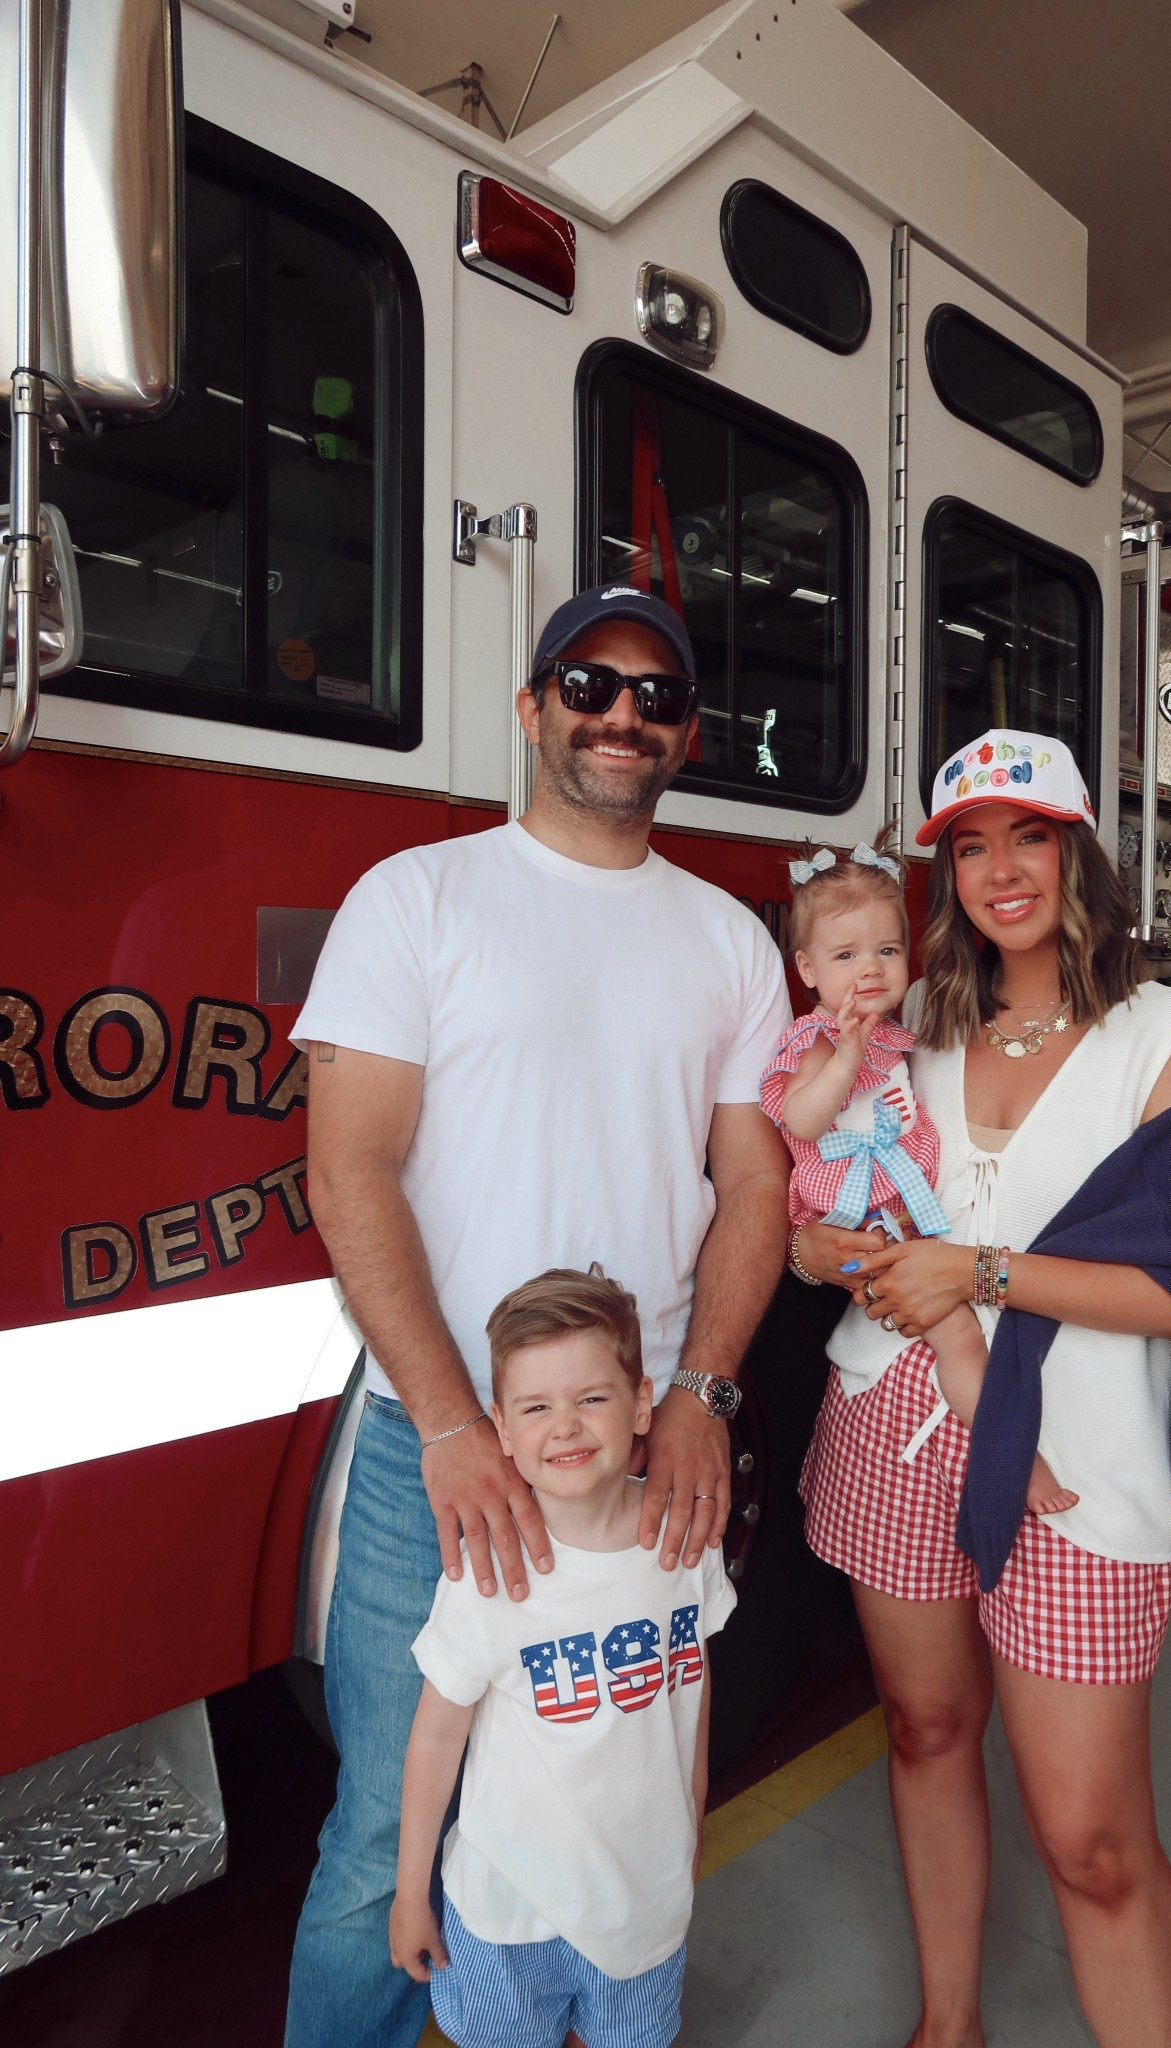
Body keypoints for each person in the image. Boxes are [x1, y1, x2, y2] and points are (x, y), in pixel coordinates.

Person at [285, 585, 791, 2048]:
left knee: (616, 1798)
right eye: (587, 684)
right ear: (530, 709)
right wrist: (450, 1424)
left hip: (633, 1466)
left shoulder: (727, 945)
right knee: (388, 1834)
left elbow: (749, 1185)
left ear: (683, 736)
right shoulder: (418, 898)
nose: (620, 713)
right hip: (432, 1458)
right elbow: (349, 1169)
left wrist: (698, 1394)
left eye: (654, 694)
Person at [791, 730, 1171, 2048]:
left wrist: (977, 1271)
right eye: (970, 846)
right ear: (944, 873)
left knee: (1094, 1845)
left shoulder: (1162, 1035)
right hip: (890, 1421)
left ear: (1076, 851)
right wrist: (814, 1249)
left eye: (1029, 837)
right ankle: (948, 2026)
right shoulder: (911, 1030)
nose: (1001, 871)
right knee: (924, 1726)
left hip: (1073, 1461)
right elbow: (823, 1209)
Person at [390, 1266, 733, 2048]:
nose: (566, 1427)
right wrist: (412, 1894)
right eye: (536, 1407)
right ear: (502, 1431)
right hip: (506, 1916)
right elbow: (436, 1740)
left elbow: (693, 1695)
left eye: (592, 1399)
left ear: (643, 1403)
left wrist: (693, 1820)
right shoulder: (487, 1575)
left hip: (643, 1901)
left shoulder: (682, 1544)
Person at [761, 828, 1074, 1519]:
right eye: (846, 956)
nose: (869, 969)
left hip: (897, 1215)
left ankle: (1005, 1450)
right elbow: (804, 1120)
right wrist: (844, 1059)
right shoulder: (816, 1041)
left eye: (887, 950)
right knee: (958, 1336)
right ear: (808, 970)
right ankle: (1015, 1457)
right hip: (858, 1220)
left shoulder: (900, 1033)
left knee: (960, 1336)